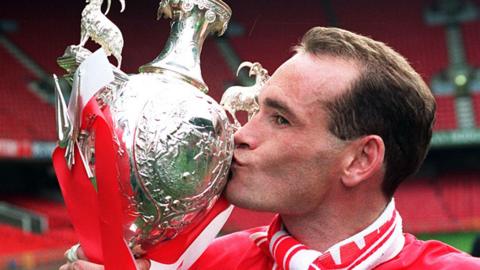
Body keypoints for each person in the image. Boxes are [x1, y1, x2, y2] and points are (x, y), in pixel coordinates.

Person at [60, 27, 480, 270]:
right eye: (256, 110)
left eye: (280, 119)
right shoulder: (198, 264)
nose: (240, 134)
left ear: (360, 159)